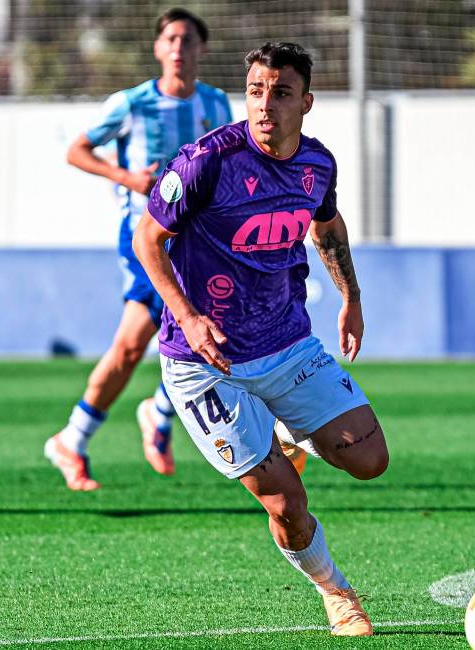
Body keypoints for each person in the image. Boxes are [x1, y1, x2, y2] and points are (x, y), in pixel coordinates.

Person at [133, 42, 388, 636]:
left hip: (287, 345)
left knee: (370, 460)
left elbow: (326, 226)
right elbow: (148, 239)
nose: (265, 104)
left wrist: (350, 297)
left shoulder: (317, 164)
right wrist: (188, 317)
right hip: (206, 362)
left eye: (280, 92)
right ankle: (336, 591)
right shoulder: (207, 161)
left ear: (306, 102)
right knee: (287, 504)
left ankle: (284, 428)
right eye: (255, 91)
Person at [45, 8, 233, 491]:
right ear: (157, 47)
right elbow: (76, 151)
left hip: (200, 241)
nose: (178, 47)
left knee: (215, 330)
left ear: (202, 49)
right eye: (170, 39)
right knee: (136, 345)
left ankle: (145, 415)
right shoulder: (131, 103)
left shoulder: (216, 104)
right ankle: (78, 437)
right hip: (146, 239)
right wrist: (126, 177)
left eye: (187, 39)